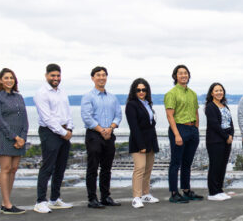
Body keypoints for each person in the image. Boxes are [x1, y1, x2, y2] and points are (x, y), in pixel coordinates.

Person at [33, 64, 74, 214]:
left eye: (58, 76)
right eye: (53, 76)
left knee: (61, 167)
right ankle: (40, 201)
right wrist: (63, 132)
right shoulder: (41, 93)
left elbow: (67, 112)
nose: (56, 78)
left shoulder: (62, 92)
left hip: (64, 131)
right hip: (49, 132)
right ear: (46, 76)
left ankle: (55, 199)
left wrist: (69, 128)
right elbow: (47, 118)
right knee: (48, 167)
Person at [80, 66, 122, 209]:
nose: (101, 77)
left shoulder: (112, 97)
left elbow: (118, 115)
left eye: (104, 75)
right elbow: (87, 117)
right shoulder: (88, 97)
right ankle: (92, 198)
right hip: (94, 135)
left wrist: (110, 128)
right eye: (98, 75)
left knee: (107, 168)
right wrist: (101, 130)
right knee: (92, 168)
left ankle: (105, 196)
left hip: (109, 135)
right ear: (93, 78)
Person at [0, 68, 28, 215]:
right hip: (4, 138)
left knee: (13, 169)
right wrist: (15, 137)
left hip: (19, 139)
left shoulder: (19, 97)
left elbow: (25, 119)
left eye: (11, 78)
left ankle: (5, 201)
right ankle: (7, 204)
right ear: (0, 80)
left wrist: (23, 137)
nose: (9, 80)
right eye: (6, 78)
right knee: (5, 169)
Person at [164, 64, 203, 203]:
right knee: (176, 163)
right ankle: (174, 193)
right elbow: (170, 116)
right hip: (179, 128)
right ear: (175, 76)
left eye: (185, 73)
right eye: (180, 73)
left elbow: (196, 112)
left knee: (187, 163)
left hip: (192, 129)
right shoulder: (171, 93)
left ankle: (186, 190)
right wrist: (177, 134)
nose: (183, 75)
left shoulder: (192, 93)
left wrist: (196, 128)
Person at [125, 78, 160, 209]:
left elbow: (151, 124)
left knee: (148, 169)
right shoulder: (131, 105)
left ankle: (146, 194)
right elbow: (134, 127)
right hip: (139, 142)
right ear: (134, 91)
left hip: (151, 141)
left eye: (143, 90)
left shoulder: (147, 104)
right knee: (139, 169)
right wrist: (141, 145)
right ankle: (136, 197)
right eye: (138, 90)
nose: (141, 92)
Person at [204, 83, 234, 201]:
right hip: (215, 140)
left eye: (221, 90)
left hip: (226, 139)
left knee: (222, 166)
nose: (219, 93)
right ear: (212, 93)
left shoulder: (224, 106)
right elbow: (214, 125)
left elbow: (230, 122)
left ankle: (219, 190)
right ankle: (213, 192)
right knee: (215, 166)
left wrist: (231, 135)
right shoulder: (210, 107)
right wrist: (226, 136)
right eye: (216, 91)